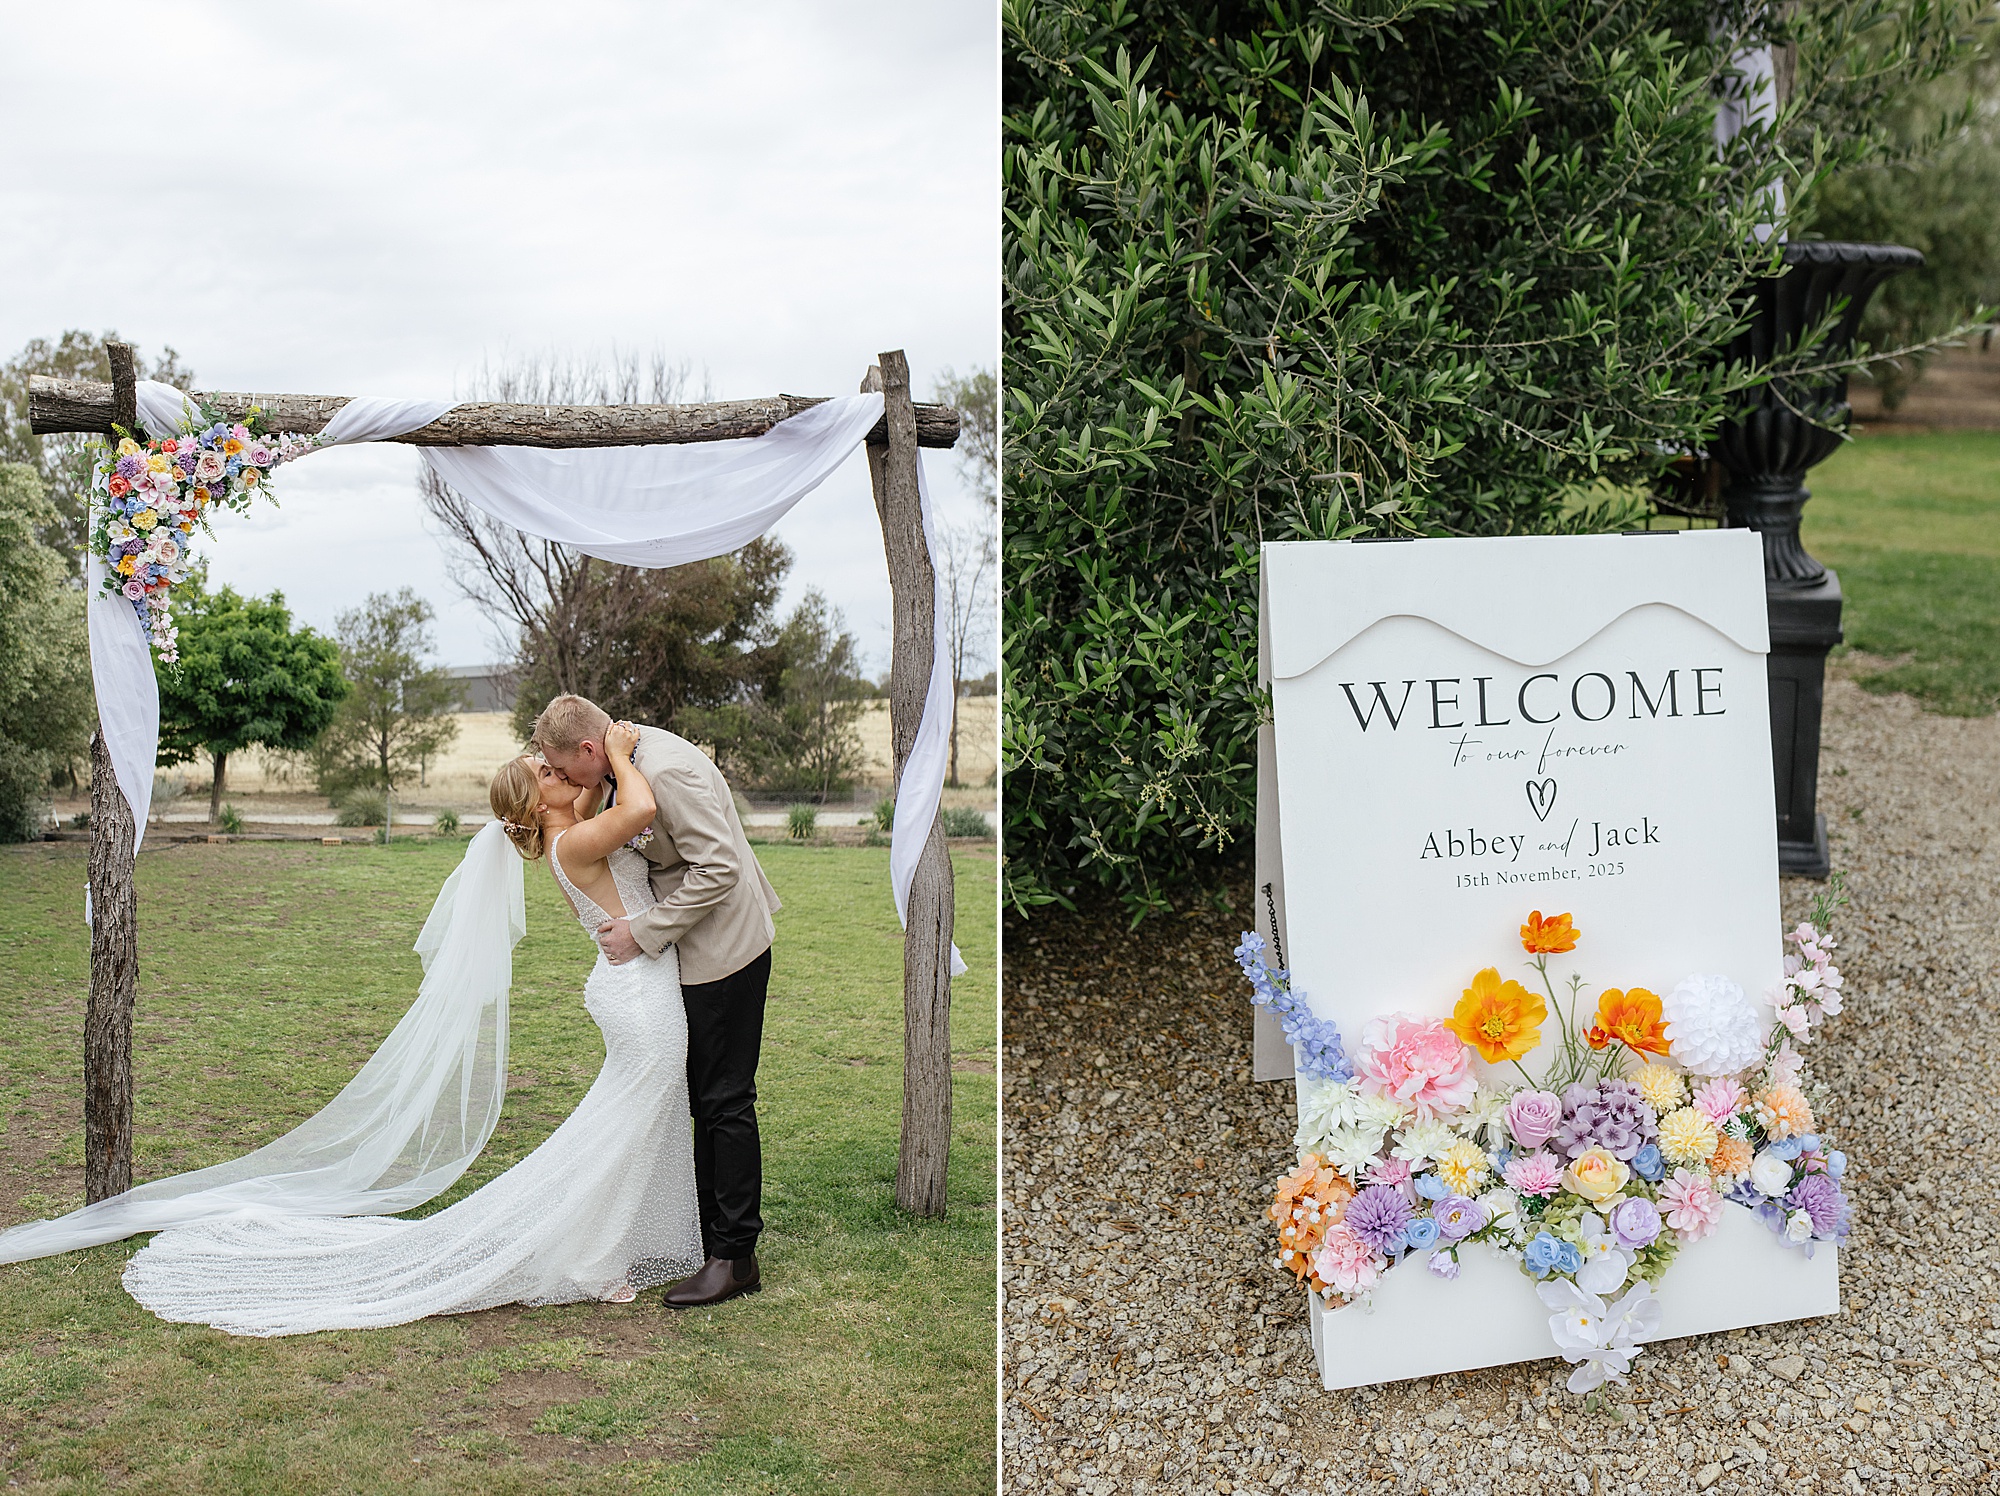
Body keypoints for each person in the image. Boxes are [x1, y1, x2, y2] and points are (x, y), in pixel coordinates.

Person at [533, 694, 780, 1309]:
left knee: (724, 1100)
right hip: (685, 953)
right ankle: (712, 1238)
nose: (566, 782)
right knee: (703, 1097)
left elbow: (719, 865)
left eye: (565, 770)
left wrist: (642, 933)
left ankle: (734, 1258)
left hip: (724, 949)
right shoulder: (618, 766)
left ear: (590, 750)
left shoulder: (664, 770)